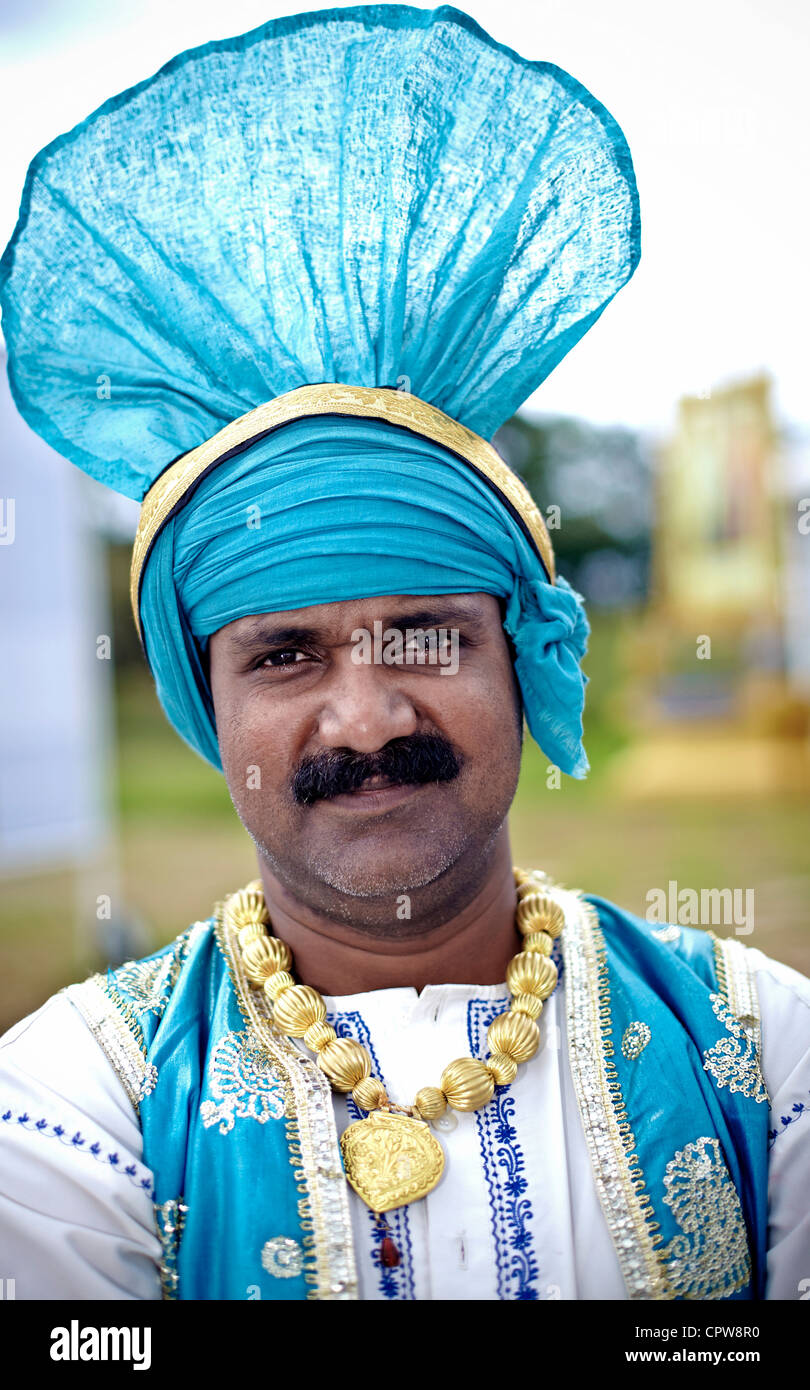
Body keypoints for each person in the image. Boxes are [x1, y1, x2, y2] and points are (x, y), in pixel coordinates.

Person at [0, 5, 807, 1303]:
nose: (363, 715)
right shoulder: (75, 1100)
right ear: (202, 702)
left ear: (523, 659)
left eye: (424, 634)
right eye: (283, 656)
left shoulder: (762, 1051)